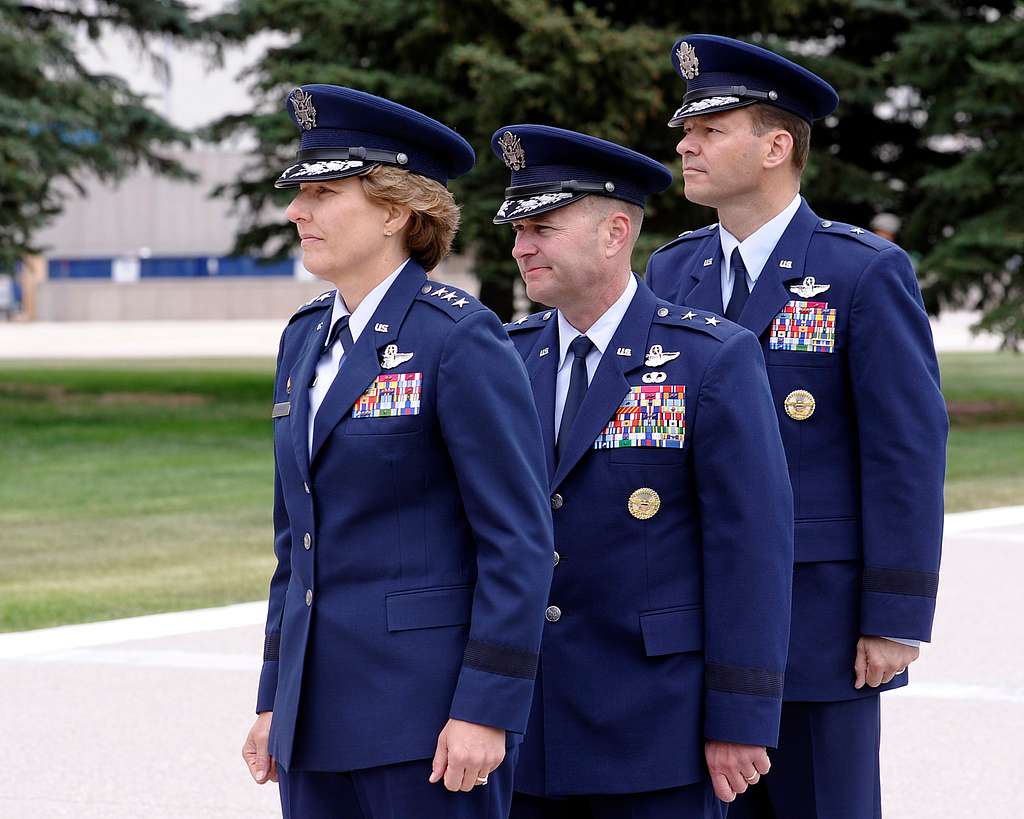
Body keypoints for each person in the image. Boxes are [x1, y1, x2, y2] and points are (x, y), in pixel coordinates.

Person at [645, 35, 948, 819]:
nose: (685, 144)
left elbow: (905, 453)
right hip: (689, 621)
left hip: (817, 622)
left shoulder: (862, 272)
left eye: (710, 130)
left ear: (777, 145)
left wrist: (894, 617)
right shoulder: (672, 273)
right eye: (688, 129)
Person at [241, 84, 555, 819]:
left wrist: (487, 705)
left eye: (322, 192)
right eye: (299, 193)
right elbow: (298, 543)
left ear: (392, 210)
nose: (297, 211)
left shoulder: (459, 338)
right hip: (315, 723)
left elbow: (518, 541)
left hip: (427, 722)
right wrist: (273, 697)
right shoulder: (304, 337)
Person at [491, 123, 794, 818]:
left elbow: (751, 550)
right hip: (524, 727)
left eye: (542, 226)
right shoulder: (503, 359)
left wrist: (741, 715)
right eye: (516, 229)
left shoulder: (710, 359)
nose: (520, 247)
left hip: (658, 723)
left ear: (614, 231)